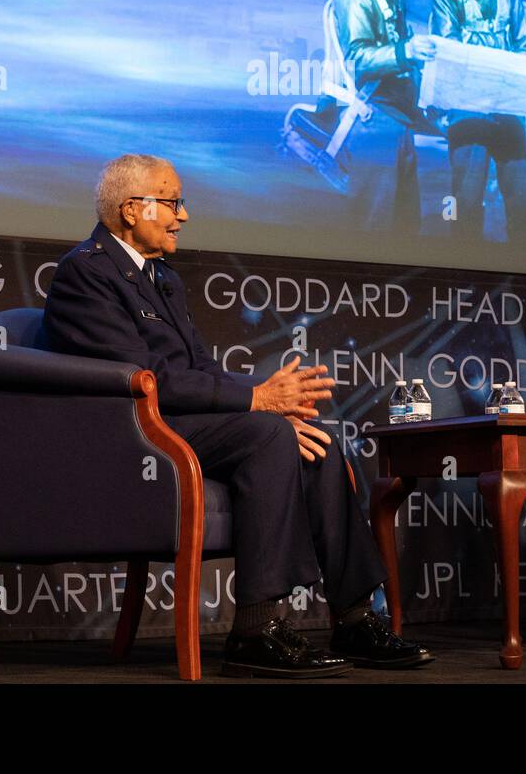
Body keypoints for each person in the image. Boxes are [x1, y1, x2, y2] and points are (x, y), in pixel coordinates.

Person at [43, 153, 434, 677]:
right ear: (132, 209)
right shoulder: (84, 273)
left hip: (179, 424)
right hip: (133, 435)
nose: (183, 215)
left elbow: (200, 367)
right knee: (270, 434)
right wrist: (257, 401)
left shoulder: (163, 279)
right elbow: (144, 375)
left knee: (313, 443)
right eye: (174, 201)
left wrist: (267, 399)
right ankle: (255, 629)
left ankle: (357, 617)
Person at [322, 0, 436, 230]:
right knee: (376, 230)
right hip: (374, 124)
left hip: (396, 122)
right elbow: (357, 59)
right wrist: (407, 51)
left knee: (404, 229)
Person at [429, 0, 526, 243]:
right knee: (467, 202)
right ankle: (466, 288)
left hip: (506, 109)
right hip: (468, 107)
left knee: (521, 205)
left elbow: (522, 45)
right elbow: (449, 43)